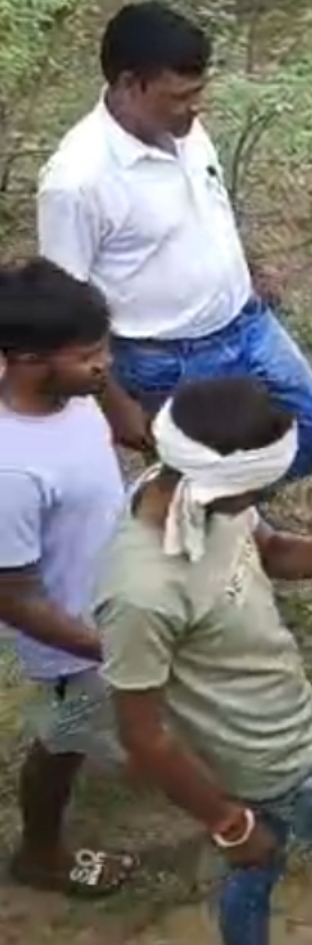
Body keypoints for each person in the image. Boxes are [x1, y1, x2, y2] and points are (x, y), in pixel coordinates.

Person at [94, 377, 312, 945]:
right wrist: (229, 823)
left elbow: (274, 551)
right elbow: (142, 735)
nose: (265, 495)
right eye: (261, 486)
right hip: (284, 763)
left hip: (247, 746)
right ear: (225, 484)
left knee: (257, 865)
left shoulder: (182, 487)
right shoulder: (140, 594)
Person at [38, 1, 312, 481]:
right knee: (192, 481)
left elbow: (207, 208)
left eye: (199, 91)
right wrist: (113, 403)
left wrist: (246, 271)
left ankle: (230, 510)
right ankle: (217, 517)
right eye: (180, 96)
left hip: (248, 324)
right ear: (129, 85)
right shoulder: (75, 181)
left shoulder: (183, 129)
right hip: (168, 362)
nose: (196, 107)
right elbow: (63, 309)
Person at [0, 261, 134, 898]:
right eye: (88, 356)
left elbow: (109, 403)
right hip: (72, 641)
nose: (105, 364)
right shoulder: (11, 473)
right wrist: (105, 648)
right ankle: (41, 854)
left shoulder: (73, 390)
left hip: (114, 597)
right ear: (27, 359)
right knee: (64, 741)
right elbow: (14, 598)